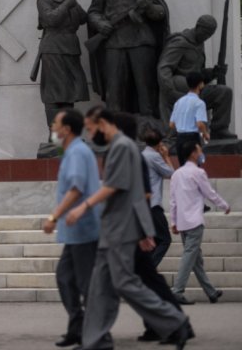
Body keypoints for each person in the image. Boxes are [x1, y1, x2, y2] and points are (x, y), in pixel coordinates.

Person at [66, 110, 191, 350]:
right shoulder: (121, 147)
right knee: (99, 288)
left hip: (121, 229)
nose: (90, 135)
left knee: (124, 283)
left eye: (91, 129)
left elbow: (118, 187)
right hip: (111, 228)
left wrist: (83, 207)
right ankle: (95, 340)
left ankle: (175, 321)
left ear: (103, 124)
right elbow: (138, 194)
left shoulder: (122, 147)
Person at [87, 0, 169, 117]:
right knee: (114, 88)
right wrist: (100, 23)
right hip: (114, 42)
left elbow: (160, 13)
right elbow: (93, 11)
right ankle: (114, 131)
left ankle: (149, 127)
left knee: (146, 86)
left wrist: (148, 7)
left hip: (141, 41)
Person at [42, 110, 100, 347]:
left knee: (85, 284)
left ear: (66, 129)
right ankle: (77, 328)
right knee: (65, 278)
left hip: (83, 229)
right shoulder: (72, 151)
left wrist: (53, 216)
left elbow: (75, 189)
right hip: (75, 232)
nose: (53, 128)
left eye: (55, 124)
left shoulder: (77, 152)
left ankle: (96, 335)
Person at [170, 140, 231, 305]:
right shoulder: (198, 173)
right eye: (198, 150)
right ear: (192, 153)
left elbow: (173, 201)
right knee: (190, 256)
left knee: (196, 258)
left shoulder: (176, 174)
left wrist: (174, 221)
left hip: (183, 222)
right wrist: (224, 205)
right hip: (195, 221)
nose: (201, 152)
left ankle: (210, 292)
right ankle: (177, 291)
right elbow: (210, 193)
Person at [158, 15, 235, 139]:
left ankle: (219, 129)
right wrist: (170, 91)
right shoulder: (180, 42)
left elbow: (197, 73)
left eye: (209, 35)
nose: (206, 37)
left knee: (224, 92)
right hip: (179, 88)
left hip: (195, 88)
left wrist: (214, 72)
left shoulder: (199, 44)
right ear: (198, 26)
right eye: (205, 33)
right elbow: (164, 67)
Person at [35, 0, 90, 127]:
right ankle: (55, 139)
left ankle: (67, 136)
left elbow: (83, 18)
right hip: (53, 48)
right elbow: (51, 20)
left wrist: (72, 1)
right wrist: (67, 3)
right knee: (53, 94)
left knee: (69, 93)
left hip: (70, 49)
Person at [141, 128, 177, 267]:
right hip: (153, 204)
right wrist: (166, 156)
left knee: (153, 240)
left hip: (143, 205)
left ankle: (145, 270)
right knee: (164, 240)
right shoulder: (154, 156)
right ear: (160, 142)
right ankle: (147, 270)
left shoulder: (142, 154)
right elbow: (171, 174)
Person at [169, 72, 210, 166]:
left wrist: (182, 124)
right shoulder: (199, 103)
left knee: (183, 167)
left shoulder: (178, 102)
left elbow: (171, 124)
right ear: (200, 84)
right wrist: (205, 133)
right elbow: (200, 124)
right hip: (192, 139)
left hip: (179, 138)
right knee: (195, 167)